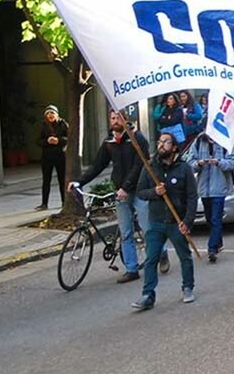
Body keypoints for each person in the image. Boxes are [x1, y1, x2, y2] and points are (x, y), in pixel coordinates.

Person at [72, 109, 168, 282]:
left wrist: (126, 187)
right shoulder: (109, 142)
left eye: (118, 118)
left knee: (148, 230)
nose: (114, 121)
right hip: (121, 193)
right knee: (125, 232)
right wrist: (79, 181)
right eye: (112, 118)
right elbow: (97, 165)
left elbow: (140, 166)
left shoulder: (137, 139)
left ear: (125, 120)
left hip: (139, 190)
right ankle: (132, 269)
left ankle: (161, 253)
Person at [132, 132, 197, 311]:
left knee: (184, 255)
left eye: (166, 142)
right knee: (151, 258)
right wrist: (155, 192)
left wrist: (188, 221)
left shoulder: (184, 169)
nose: (161, 145)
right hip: (156, 221)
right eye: (160, 141)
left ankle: (187, 287)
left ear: (174, 147)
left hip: (177, 221)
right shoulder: (150, 167)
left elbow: (192, 196)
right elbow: (140, 192)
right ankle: (148, 295)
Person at [188, 131, 234, 263]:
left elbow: (233, 161)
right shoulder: (199, 142)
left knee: (216, 218)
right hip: (204, 189)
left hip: (219, 188)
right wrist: (198, 164)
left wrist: (219, 162)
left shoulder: (225, 142)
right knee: (210, 218)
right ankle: (218, 241)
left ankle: (212, 249)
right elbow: (190, 163)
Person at [37, 105, 68, 211]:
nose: (50, 115)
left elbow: (70, 138)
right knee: (46, 180)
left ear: (56, 114)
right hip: (47, 156)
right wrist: (47, 141)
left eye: (52, 113)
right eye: (48, 114)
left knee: (62, 179)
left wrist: (58, 140)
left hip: (60, 155)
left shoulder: (63, 124)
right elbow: (38, 141)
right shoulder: (43, 125)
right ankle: (44, 203)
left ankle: (64, 202)